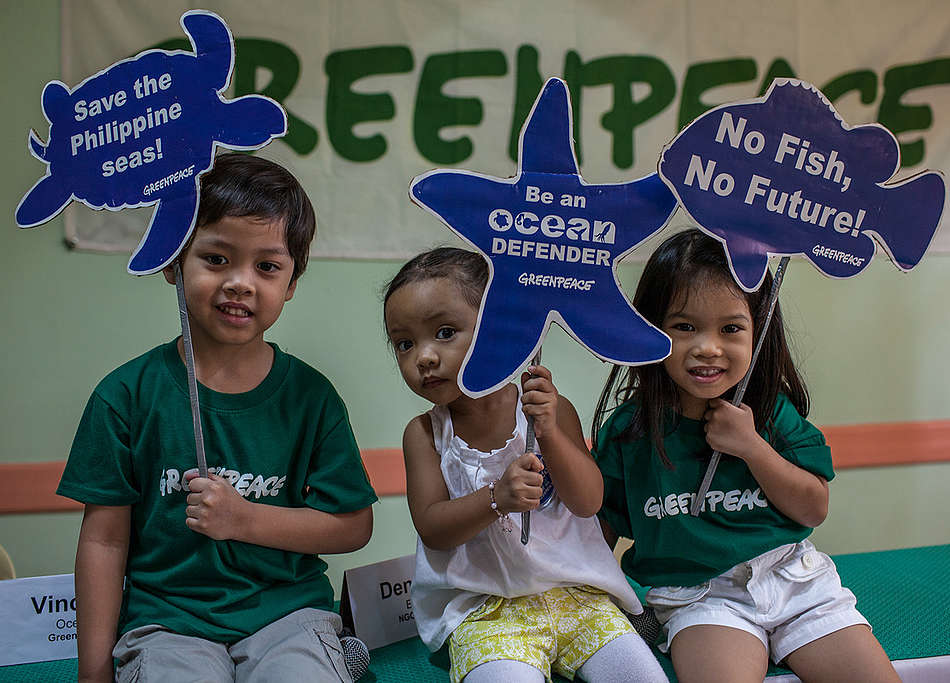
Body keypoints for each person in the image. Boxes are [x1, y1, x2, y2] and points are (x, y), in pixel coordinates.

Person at [58, 153, 378, 683]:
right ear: (172, 261)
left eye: (267, 267)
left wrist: (244, 519)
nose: (241, 283)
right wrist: (93, 672)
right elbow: (104, 540)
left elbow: (352, 527)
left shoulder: (312, 398)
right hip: (167, 624)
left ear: (292, 282)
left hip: (289, 617)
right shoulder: (124, 397)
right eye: (216, 259)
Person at [592, 230, 900, 683]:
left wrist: (751, 447)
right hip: (699, 598)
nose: (708, 347)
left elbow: (814, 507)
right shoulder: (628, 431)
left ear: (758, 331)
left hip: (797, 582)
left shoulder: (773, 411)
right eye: (684, 327)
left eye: (730, 328)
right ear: (650, 329)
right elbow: (602, 526)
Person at [383, 247, 668, 683]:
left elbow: (589, 501)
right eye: (405, 343)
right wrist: (496, 498)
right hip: (485, 612)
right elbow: (433, 529)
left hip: (578, 599)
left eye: (444, 332)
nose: (422, 357)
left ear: (499, 327)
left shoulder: (549, 411)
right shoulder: (424, 433)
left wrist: (550, 432)